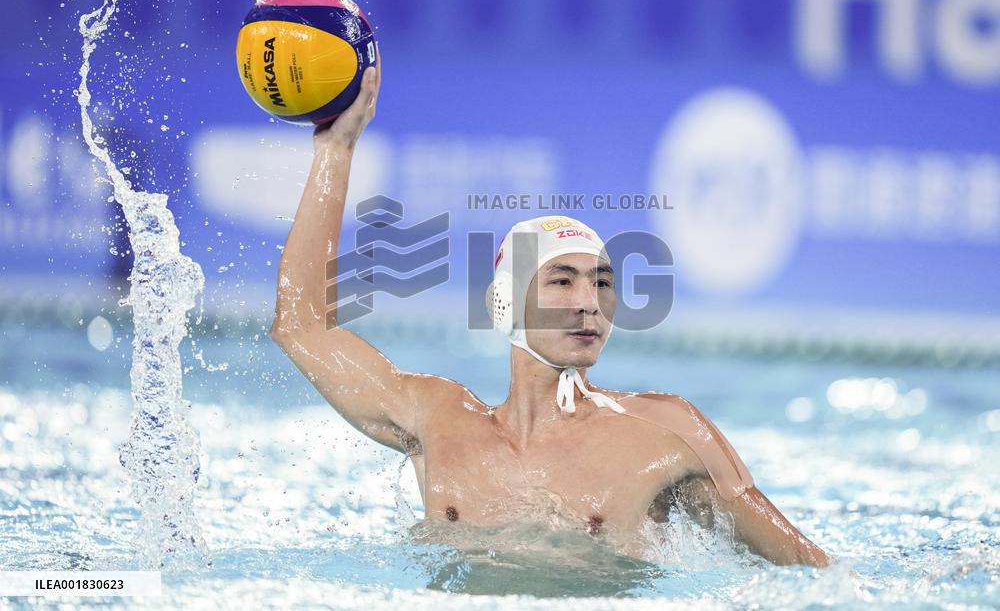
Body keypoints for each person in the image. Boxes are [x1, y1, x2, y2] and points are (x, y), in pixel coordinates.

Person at [270, 61, 830, 568]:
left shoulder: (665, 432)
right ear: (505, 304)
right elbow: (301, 325)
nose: (590, 301)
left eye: (603, 282)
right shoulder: (437, 422)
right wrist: (336, 151)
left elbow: (810, 572)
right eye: (562, 280)